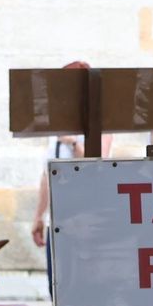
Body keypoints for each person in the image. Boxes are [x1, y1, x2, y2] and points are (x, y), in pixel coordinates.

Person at [31, 60, 113, 249]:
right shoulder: (58, 126)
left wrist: (73, 142)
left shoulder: (102, 125)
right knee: (55, 278)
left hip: (87, 224)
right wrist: (39, 216)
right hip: (58, 221)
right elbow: (47, 174)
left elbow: (99, 165)